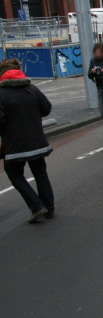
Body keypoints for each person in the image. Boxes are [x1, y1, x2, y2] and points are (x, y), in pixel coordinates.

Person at [0, 59, 55, 223]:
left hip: (15, 145)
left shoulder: (1, 94)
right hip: (37, 142)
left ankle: (37, 206)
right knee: (40, 173)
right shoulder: (32, 88)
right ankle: (49, 208)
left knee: (15, 175)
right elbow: (46, 109)